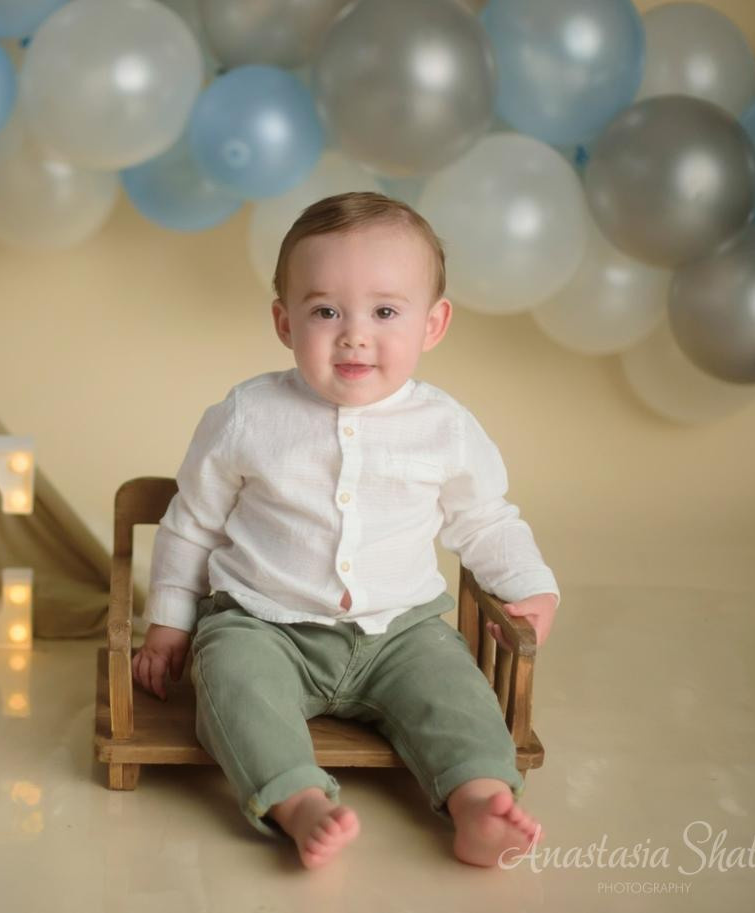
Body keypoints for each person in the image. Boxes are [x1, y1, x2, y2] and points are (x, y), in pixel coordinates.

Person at [133, 191, 559, 870]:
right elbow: (193, 522)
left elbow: (485, 518)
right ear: (283, 320)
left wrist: (532, 584)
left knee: (458, 692)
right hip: (262, 623)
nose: (355, 333)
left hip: (402, 631)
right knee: (233, 688)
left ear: (434, 323)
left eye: (386, 311)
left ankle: (479, 799)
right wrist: (169, 621)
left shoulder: (444, 427)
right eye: (326, 310)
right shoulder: (249, 414)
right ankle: (299, 802)